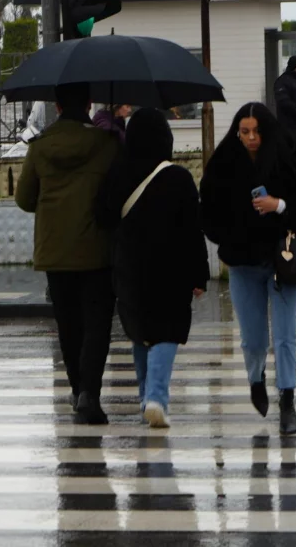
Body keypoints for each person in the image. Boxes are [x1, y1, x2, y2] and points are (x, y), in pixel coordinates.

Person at [200, 102, 296, 435]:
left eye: (257, 131)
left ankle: (288, 399)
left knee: (284, 335)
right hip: (243, 262)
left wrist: (278, 206)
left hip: (285, 260)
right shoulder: (223, 163)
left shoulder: (290, 157)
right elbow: (207, 212)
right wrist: (227, 236)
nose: (251, 138)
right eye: (245, 132)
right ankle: (256, 379)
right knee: (253, 339)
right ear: (237, 132)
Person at [96, 108, 209, 428]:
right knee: (166, 332)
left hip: (129, 268)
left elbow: (103, 217)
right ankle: (156, 397)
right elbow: (193, 230)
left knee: (140, 333)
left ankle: (146, 397)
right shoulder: (179, 177)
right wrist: (199, 274)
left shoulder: (117, 172)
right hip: (170, 270)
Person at [16, 83, 120, 425]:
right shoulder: (106, 144)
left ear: (57, 106)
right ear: (89, 105)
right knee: (97, 325)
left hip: (55, 252)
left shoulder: (40, 146)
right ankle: (90, 392)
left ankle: (77, 390)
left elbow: (24, 199)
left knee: (68, 324)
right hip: (96, 250)